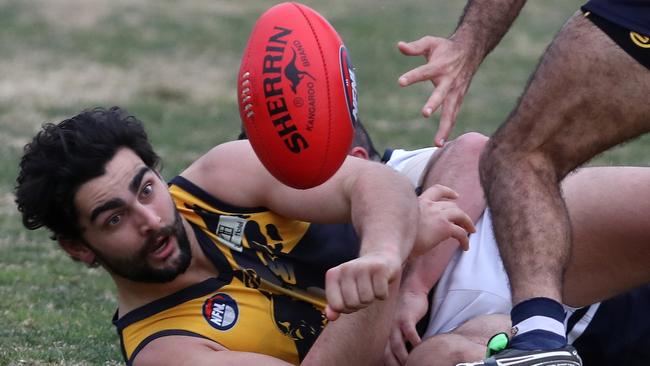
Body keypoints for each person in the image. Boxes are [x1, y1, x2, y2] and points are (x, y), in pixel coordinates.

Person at [14, 106, 475, 365]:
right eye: (114, 219)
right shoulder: (166, 350)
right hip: (425, 338)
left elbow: (370, 181)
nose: (151, 221)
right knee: (450, 353)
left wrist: (385, 252)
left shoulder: (218, 175)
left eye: (146, 189)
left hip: (437, 271)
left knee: (479, 153)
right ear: (79, 248)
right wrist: (383, 278)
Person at [397, 0, 650, 364]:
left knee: (520, 157)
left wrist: (410, 282)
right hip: (497, 315)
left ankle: (540, 340)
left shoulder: (346, 180)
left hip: (518, 248)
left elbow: (469, 153)